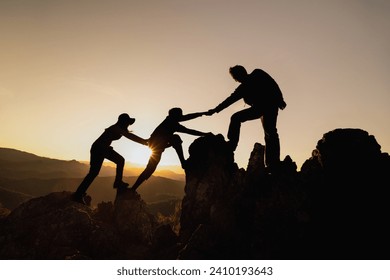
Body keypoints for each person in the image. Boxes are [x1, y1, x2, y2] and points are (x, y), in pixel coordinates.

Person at [206, 65, 286, 172]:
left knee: (269, 132)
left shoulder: (256, 75)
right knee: (268, 132)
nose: (237, 79)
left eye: (236, 76)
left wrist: (280, 100)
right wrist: (215, 110)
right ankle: (233, 145)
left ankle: (272, 163)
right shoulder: (244, 87)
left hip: (269, 105)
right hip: (262, 108)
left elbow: (272, 84)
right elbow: (229, 100)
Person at [71, 113, 148, 204]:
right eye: (127, 123)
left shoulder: (117, 128)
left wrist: (145, 142)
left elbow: (127, 135)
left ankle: (79, 194)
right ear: (123, 122)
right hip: (99, 148)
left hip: (101, 148)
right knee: (97, 171)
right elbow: (130, 136)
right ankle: (117, 183)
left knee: (96, 172)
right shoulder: (116, 128)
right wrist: (144, 142)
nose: (128, 125)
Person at [130, 107, 211, 192]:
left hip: (157, 144)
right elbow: (188, 129)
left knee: (150, 168)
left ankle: (133, 188)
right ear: (175, 115)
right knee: (150, 168)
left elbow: (186, 119)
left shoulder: (170, 120)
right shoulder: (171, 123)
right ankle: (183, 162)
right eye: (180, 115)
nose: (181, 117)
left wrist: (203, 113)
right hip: (156, 145)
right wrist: (204, 133)